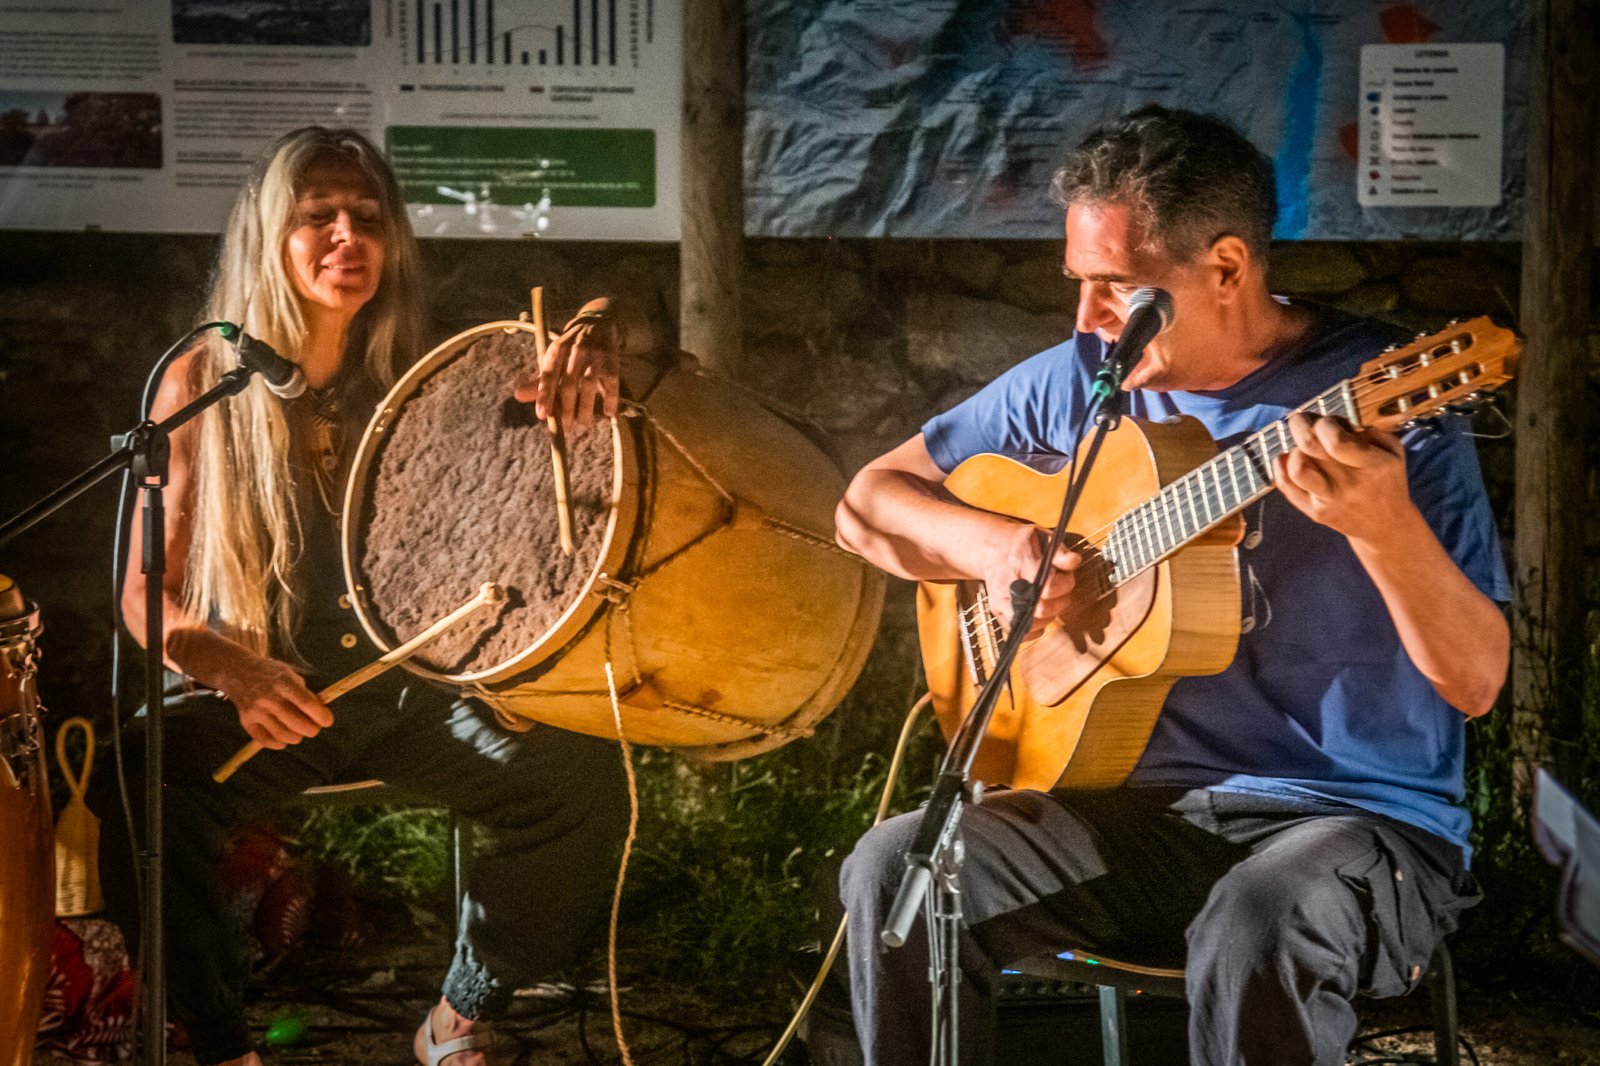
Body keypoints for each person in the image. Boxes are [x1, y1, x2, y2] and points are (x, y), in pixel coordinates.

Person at [834, 106, 1511, 1065]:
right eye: (1079, 283)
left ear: (1227, 267)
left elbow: (1475, 683)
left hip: (1356, 821)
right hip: (1132, 813)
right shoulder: (1083, 381)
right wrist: (997, 547)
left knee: (1257, 918)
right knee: (900, 870)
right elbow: (867, 505)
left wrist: (1382, 525)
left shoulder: (1389, 408)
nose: (1087, 320)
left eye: (1118, 287)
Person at [102, 126, 637, 1066]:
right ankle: (225, 1044)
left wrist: (595, 333)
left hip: (416, 688)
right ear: (271, 235)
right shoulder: (202, 382)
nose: (348, 236)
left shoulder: (427, 364)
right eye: (319, 217)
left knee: (586, 783)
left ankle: (455, 1020)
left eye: (368, 217)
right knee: (139, 779)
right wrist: (232, 668)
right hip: (277, 691)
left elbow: (584, 325)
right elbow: (146, 591)